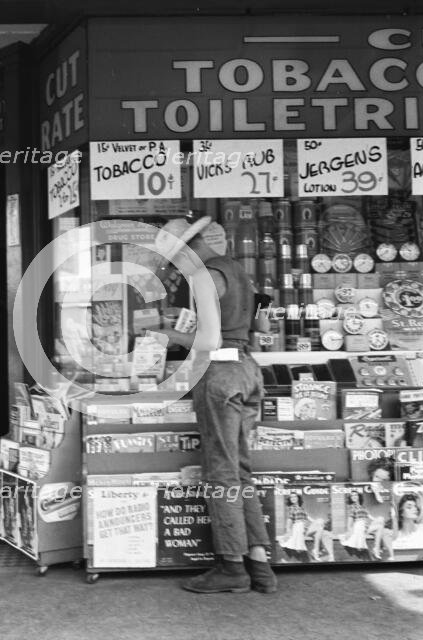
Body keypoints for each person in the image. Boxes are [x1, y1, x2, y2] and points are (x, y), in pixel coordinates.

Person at [153, 216, 277, 594]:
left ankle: (231, 568)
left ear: (189, 249)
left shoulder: (204, 276)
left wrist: (164, 332)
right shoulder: (239, 271)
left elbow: (208, 340)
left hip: (220, 374)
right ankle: (260, 565)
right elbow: (265, 325)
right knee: (240, 472)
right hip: (248, 370)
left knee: (221, 473)